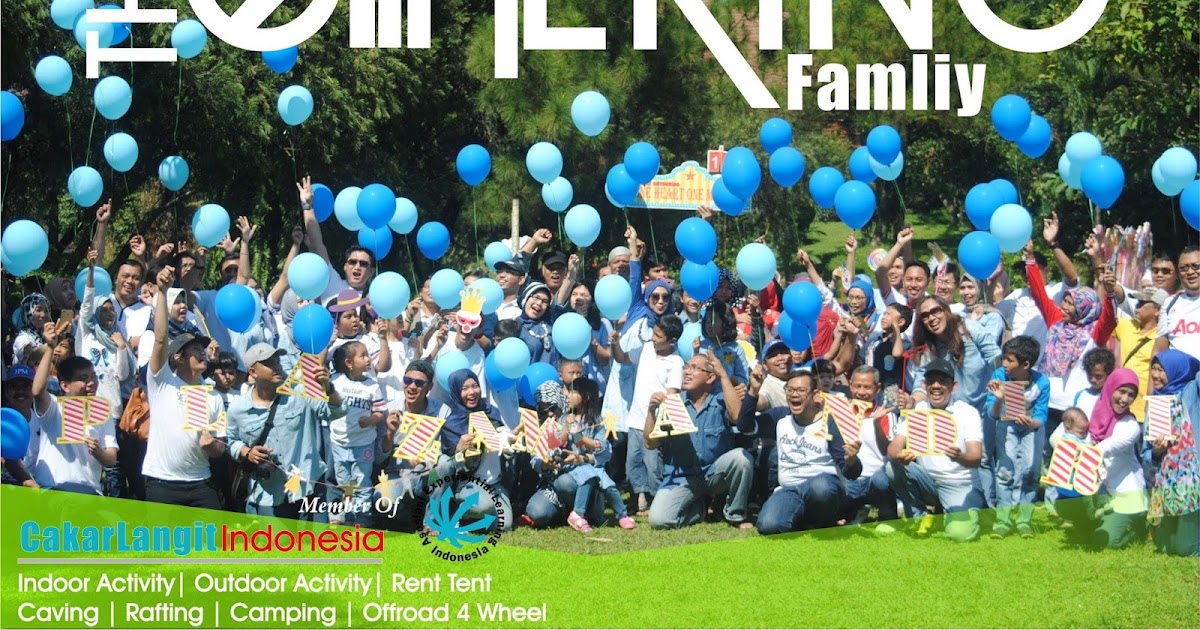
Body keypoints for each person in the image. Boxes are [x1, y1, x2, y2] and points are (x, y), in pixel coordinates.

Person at [141, 265, 226, 509]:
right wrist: (161, 293)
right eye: (195, 351)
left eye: (203, 348)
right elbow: (159, 339)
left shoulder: (213, 398)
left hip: (201, 483)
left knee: (210, 547)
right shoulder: (162, 382)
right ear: (177, 357)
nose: (203, 353)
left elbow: (220, 447)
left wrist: (213, 446)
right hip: (161, 483)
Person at [227, 343, 344, 519]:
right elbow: (231, 441)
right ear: (253, 372)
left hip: (308, 486)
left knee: (316, 544)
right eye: (269, 363)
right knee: (278, 545)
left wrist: (329, 388)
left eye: (277, 361)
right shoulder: (238, 408)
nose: (277, 366)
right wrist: (247, 452)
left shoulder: (299, 390)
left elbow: (335, 411)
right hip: (270, 491)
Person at [744, 369, 862, 535]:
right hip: (789, 489)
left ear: (815, 394)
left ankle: (826, 521)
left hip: (823, 486)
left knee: (820, 488)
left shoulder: (829, 422)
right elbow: (745, 427)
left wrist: (851, 460)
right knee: (768, 526)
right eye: (790, 390)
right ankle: (803, 520)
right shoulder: (781, 417)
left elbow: (851, 473)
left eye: (800, 390)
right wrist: (753, 392)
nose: (794, 395)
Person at [647, 352, 752, 529]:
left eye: (695, 368)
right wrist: (651, 410)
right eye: (686, 367)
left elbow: (736, 417)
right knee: (658, 521)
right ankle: (699, 508)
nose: (687, 372)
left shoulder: (720, 400)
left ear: (710, 377)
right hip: (682, 477)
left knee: (742, 458)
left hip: (714, 474)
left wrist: (724, 376)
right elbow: (650, 443)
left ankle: (734, 514)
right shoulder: (674, 404)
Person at [887, 358, 985, 542]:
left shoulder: (968, 412)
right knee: (891, 467)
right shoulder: (917, 410)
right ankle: (920, 516)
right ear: (924, 385)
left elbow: (976, 457)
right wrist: (899, 455)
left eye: (943, 381)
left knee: (959, 534)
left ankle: (955, 512)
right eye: (931, 381)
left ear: (954, 386)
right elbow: (894, 446)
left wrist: (960, 457)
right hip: (928, 480)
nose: (936, 386)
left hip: (959, 483)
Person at [1057, 368, 1148, 549]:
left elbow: (1106, 447)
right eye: (1121, 391)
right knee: (1065, 502)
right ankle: (1092, 528)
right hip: (1099, 493)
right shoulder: (1094, 413)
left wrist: (1081, 452)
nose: (1125, 399)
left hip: (1125, 494)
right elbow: (1057, 436)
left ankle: (1139, 527)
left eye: (1131, 395)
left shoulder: (1130, 426)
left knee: (1105, 543)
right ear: (1110, 388)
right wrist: (1069, 445)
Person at [29, 333, 118, 494]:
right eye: (83, 378)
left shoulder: (102, 412)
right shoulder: (54, 407)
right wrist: (50, 347)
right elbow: (37, 391)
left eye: (93, 376)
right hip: (53, 490)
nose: (91, 383)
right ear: (65, 385)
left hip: (89, 493)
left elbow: (111, 459)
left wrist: (99, 452)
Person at [985, 335, 1051, 538]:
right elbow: (992, 414)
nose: (1004, 364)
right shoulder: (999, 376)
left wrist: (1031, 423)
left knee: (1032, 471)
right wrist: (998, 400)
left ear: (1026, 364)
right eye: (1004, 358)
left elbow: (1041, 414)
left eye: (1009, 360)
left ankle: (1024, 520)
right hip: (1006, 427)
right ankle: (1003, 521)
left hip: (1031, 429)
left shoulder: (1042, 382)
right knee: (1005, 470)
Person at [620, 314, 684, 515]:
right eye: (654, 333)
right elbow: (623, 357)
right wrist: (614, 344)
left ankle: (656, 500)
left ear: (672, 341)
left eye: (658, 335)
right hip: (636, 418)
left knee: (653, 464)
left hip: (655, 423)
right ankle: (636, 498)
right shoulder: (646, 349)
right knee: (632, 462)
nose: (653, 338)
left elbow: (672, 394)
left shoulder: (675, 362)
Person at [563, 378, 636, 532]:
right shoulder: (565, 419)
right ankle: (577, 513)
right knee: (588, 476)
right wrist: (566, 428)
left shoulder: (598, 421)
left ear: (587, 396)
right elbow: (562, 442)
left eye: (573, 392)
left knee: (610, 486)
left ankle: (622, 515)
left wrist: (582, 438)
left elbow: (600, 447)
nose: (568, 395)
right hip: (574, 465)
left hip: (592, 463)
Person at [1146, 350, 1200, 557]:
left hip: (1192, 476)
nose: (1155, 375)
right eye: (1154, 368)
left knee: (1185, 549)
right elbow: (1150, 452)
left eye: (1162, 370)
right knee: (1164, 547)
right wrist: (1158, 449)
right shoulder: (1156, 401)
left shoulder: (1192, 390)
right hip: (1166, 478)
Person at [328, 340, 387, 524]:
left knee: (362, 484)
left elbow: (379, 413)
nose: (368, 359)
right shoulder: (335, 380)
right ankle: (344, 517)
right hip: (339, 443)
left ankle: (362, 520)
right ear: (348, 362)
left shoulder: (372, 386)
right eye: (362, 356)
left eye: (368, 354)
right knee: (344, 483)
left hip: (363, 444)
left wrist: (370, 420)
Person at [842, 366, 900, 529]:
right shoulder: (841, 413)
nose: (861, 392)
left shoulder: (886, 415)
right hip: (850, 480)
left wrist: (876, 424)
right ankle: (856, 511)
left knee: (881, 480)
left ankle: (888, 516)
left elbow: (886, 451)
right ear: (850, 385)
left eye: (867, 387)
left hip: (876, 479)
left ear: (878, 388)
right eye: (857, 386)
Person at [1154, 246, 1200, 359]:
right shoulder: (1170, 303)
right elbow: (1159, 349)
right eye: (1184, 268)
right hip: (1180, 375)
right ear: (1178, 274)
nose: (1190, 272)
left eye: (1196, 266)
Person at [11, 293, 51, 366]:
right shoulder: (23, 337)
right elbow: (31, 356)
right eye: (38, 310)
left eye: (46, 311)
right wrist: (51, 344)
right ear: (27, 312)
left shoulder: (45, 335)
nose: (43, 315)